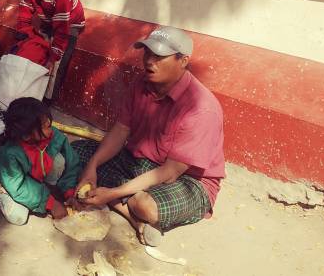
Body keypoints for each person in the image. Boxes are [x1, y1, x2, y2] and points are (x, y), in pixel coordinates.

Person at [72, 26, 225, 247]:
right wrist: (92, 167)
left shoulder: (201, 108)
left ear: (183, 61)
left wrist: (112, 193)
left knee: (145, 206)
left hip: (189, 180)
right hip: (141, 163)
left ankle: (129, 207)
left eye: (160, 56)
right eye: (147, 53)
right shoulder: (141, 83)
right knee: (75, 153)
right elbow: (121, 130)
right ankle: (129, 209)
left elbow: (170, 171)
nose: (149, 61)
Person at [0, 97, 83, 225]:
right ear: (26, 135)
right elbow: (18, 186)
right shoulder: (10, 154)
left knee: (59, 162)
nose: (50, 127)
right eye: (45, 126)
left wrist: (70, 192)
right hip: (12, 182)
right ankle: (1, 193)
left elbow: (71, 163)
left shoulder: (52, 135)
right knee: (18, 217)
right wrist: (50, 203)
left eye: (49, 123)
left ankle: (39, 186)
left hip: (32, 173)